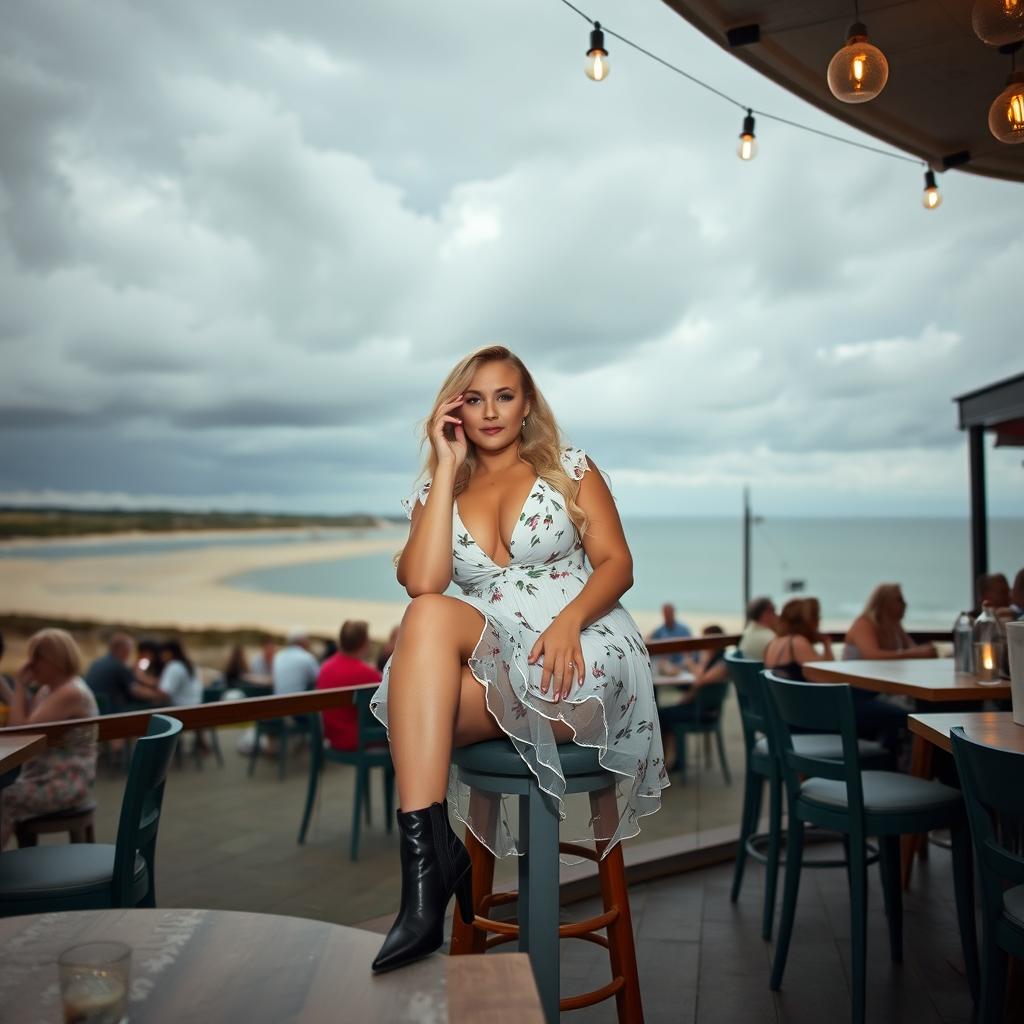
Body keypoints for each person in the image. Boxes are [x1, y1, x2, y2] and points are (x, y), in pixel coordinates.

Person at [369, 345, 666, 973]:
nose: (491, 412)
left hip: (577, 645)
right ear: (455, 411)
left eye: (504, 396)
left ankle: (427, 885)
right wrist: (447, 468)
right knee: (424, 616)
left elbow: (618, 564)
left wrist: (567, 622)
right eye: (474, 399)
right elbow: (423, 583)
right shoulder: (439, 489)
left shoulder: (569, 467)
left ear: (526, 402)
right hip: (493, 646)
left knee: (418, 714)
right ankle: (426, 868)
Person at [0, 628, 98, 849]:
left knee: (4, 797)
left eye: (35, 657)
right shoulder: (51, 690)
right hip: (45, 777)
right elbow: (24, 721)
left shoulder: (69, 693)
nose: (30, 665)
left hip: (64, 783)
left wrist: (20, 685)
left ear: (55, 659)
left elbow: (19, 732)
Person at [315, 621, 383, 750]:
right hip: (355, 739)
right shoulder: (368, 674)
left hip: (331, 736)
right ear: (364, 643)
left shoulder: (326, 667)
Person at [843, 584, 937, 661]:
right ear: (884, 602)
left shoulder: (894, 625)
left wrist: (923, 651)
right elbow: (872, 656)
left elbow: (912, 648)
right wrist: (916, 653)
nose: (905, 604)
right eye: (899, 600)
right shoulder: (864, 623)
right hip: (855, 682)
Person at [85, 632, 166, 713]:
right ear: (122, 650)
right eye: (129, 650)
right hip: (109, 711)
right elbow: (136, 691)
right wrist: (158, 696)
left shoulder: (99, 662)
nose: (129, 654)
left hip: (96, 708)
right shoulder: (118, 665)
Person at [763, 598, 833, 681]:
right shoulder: (797, 643)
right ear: (807, 620)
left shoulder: (773, 643)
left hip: (784, 693)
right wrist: (827, 647)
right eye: (816, 617)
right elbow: (824, 679)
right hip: (802, 693)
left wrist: (826, 645)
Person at [646, 603, 696, 675]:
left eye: (669, 613)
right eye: (665, 613)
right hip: (666, 665)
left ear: (673, 613)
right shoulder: (661, 629)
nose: (667, 616)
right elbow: (649, 639)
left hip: (682, 664)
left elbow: (691, 650)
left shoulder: (684, 629)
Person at [272, 629, 320, 696]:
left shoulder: (278, 656)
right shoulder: (306, 656)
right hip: (298, 703)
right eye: (307, 640)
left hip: (277, 702)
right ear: (303, 641)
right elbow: (318, 678)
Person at [157, 639, 203, 706]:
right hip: (195, 707)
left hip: (179, 709)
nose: (160, 656)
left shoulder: (174, 666)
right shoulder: (191, 666)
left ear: (169, 652)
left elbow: (164, 693)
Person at [738, 596, 778, 661]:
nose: (776, 615)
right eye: (773, 610)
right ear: (766, 613)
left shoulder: (748, 630)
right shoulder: (770, 637)